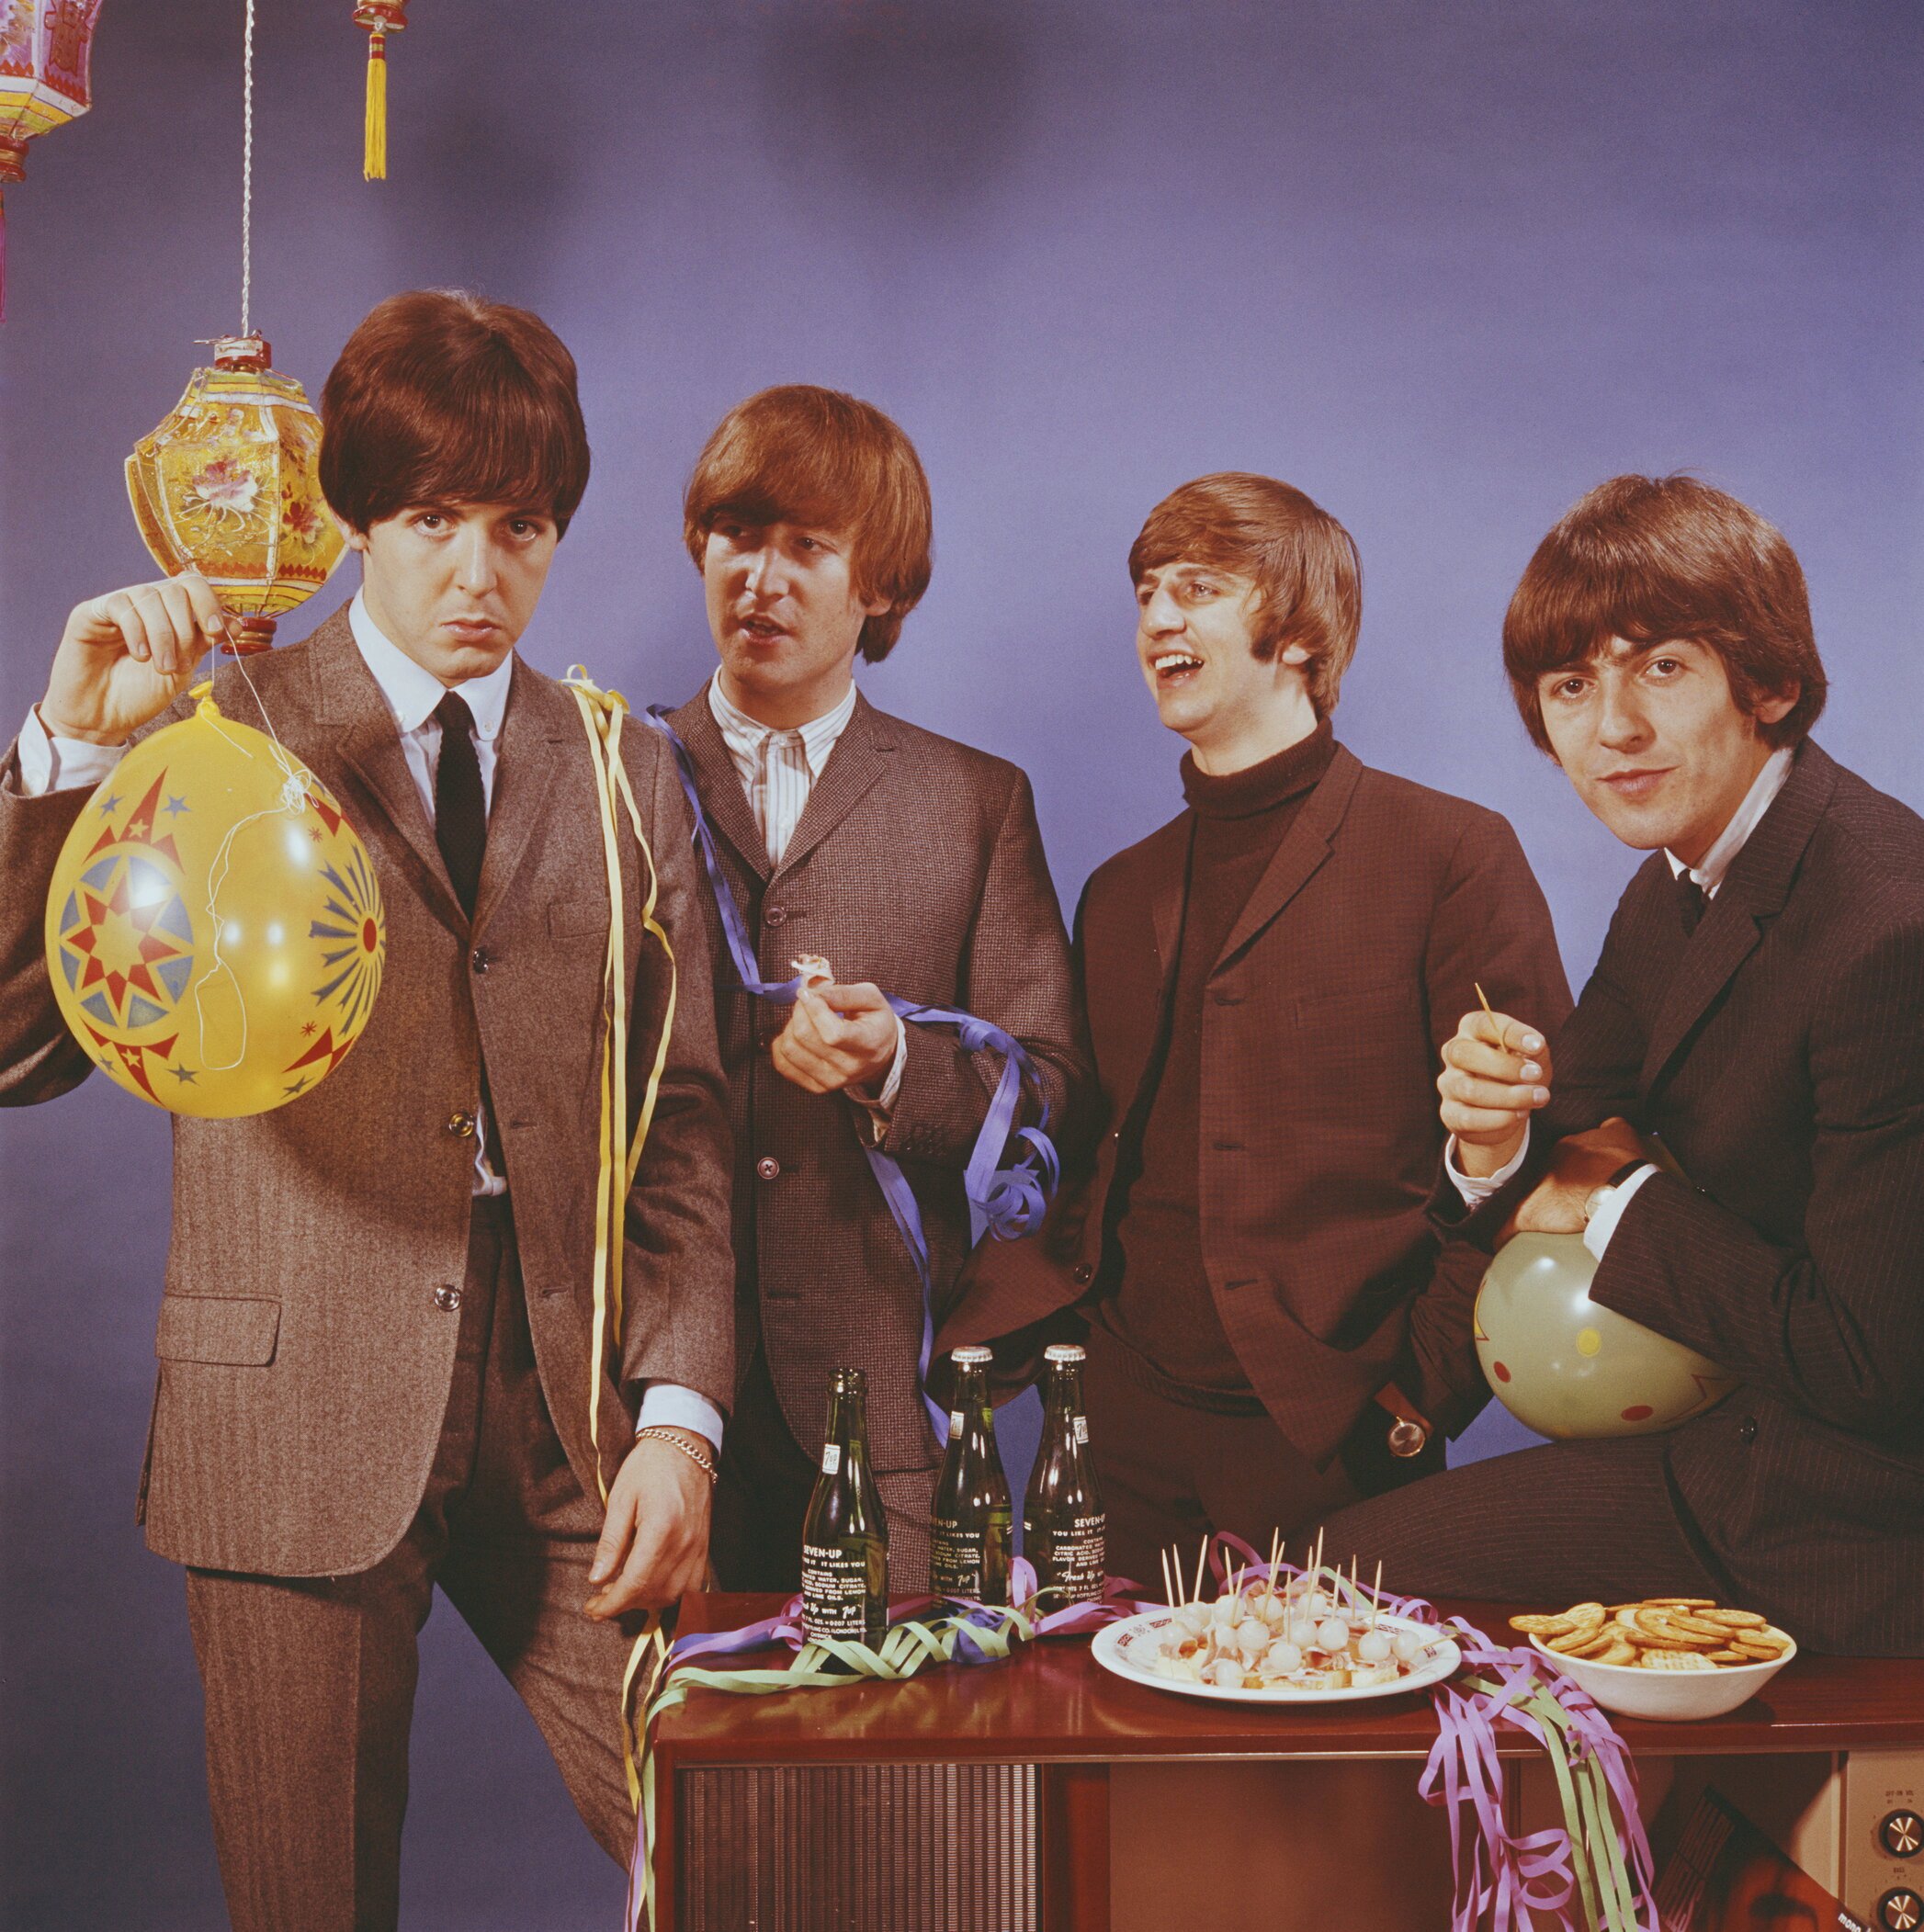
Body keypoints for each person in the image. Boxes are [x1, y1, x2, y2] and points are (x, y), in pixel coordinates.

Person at [0, 290, 736, 1926]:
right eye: (431, 522)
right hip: (293, 1409)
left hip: (565, 1415)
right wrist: (60, 757)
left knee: (747, 1847)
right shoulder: (213, 722)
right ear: (348, 520)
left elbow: (676, 1119)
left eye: (521, 527)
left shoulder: (624, 769)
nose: (479, 575)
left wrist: (678, 1419)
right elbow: (19, 1046)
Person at [1319, 474, 1924, 1657]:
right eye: (1571, 685)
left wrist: (1613, 1193)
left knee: (1352, 1594)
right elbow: (1575, 1128)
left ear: (1771, 684)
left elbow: (1872, 1365)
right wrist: (1492, 1147)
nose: (1613, 730)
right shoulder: (1682, 876)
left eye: (1660, 667)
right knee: (1332, 1571)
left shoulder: (1888, 932)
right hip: (1721, 1442)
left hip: (1846, 1519)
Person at [938, 472, 1570, 1586]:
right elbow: (1086, 1144)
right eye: (1146, 592)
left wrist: (1413, 1403)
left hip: (1328, 1442)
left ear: (1299, 629)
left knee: (1318, 1763)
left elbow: (1539, 1164)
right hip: (1113, 1434)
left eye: (1198, 587)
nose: (1157, 619)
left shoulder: (1450, 855)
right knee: (1090, 1758)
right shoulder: (1120, 890)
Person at [654, 383, 1088, 1592]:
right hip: (646, 1427)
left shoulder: (972, 804)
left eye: (809, 547)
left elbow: (1049, 1090)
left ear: (879, 583)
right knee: (687, 1781)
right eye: (739, 536)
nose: (762, 578)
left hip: (889, 1418)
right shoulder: (604, 774)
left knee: (909, 1776)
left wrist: (897, 1062)